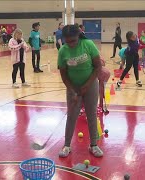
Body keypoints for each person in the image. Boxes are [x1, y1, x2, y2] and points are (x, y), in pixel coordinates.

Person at [57, 25, 103, 158]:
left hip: (91, 84)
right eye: (68, 41)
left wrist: (87, 85)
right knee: (71, 115)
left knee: (91, 114)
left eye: (73, 40)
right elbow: (64, 75)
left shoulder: (88, 44)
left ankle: (93, 145)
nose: (71, 44)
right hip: (73, 86)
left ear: (78, 36)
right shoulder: (63, 51)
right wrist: (72, 91)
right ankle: (66, 145)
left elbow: (98, 67)